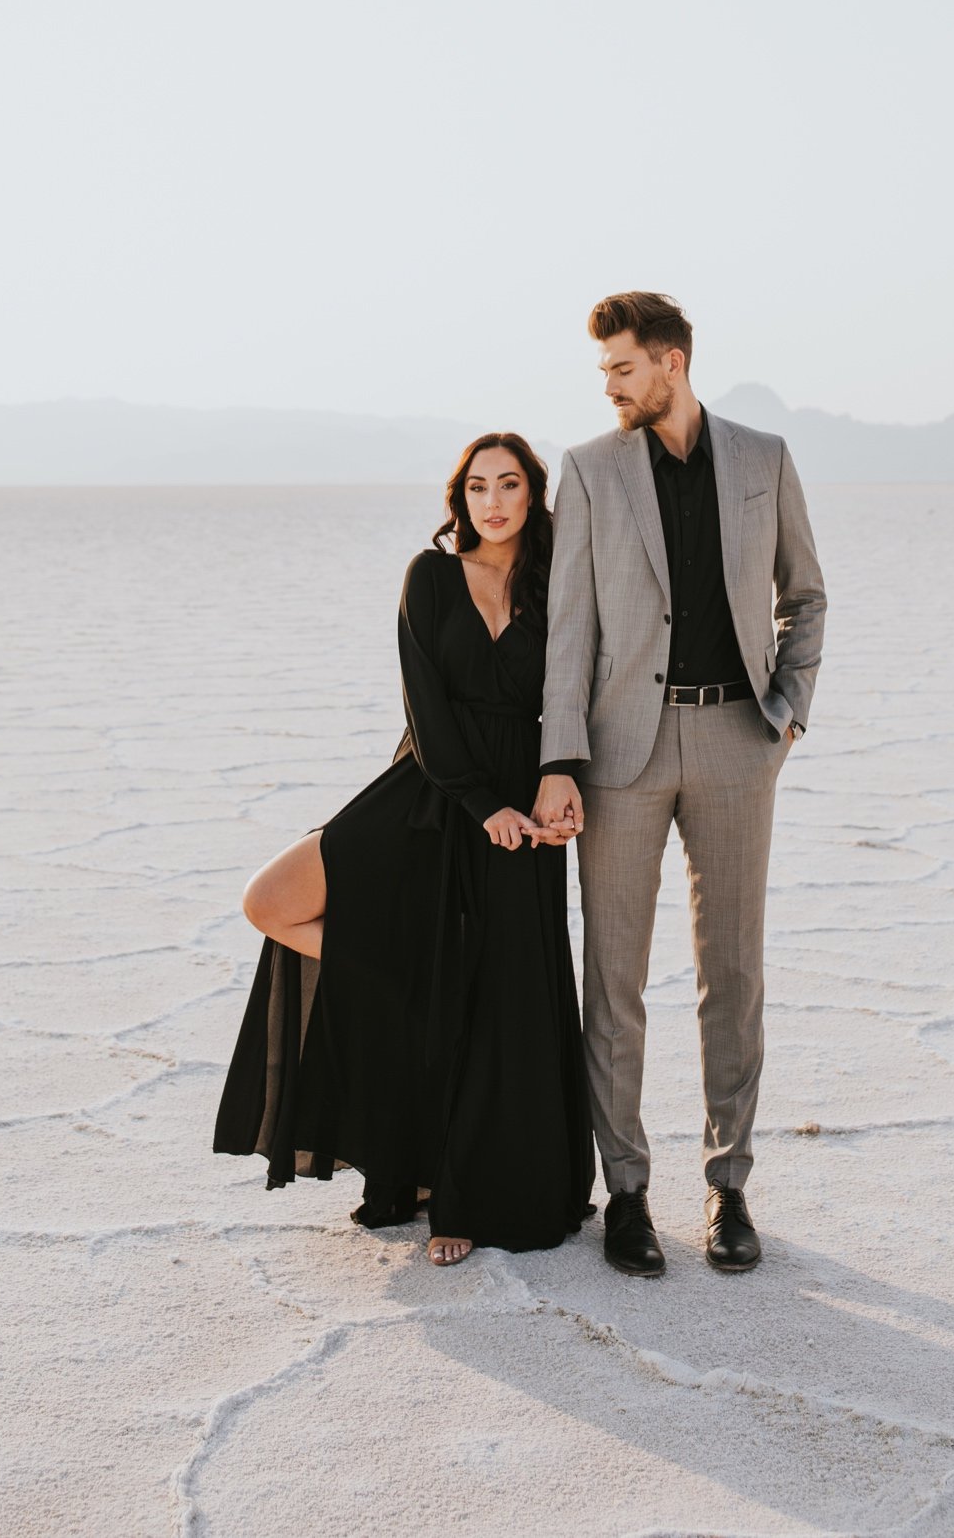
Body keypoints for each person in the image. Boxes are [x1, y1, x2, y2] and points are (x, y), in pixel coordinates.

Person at [214, 433, 594, 1264]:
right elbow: (426, 705)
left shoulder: (561, 581)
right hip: (430, 792)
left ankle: (458, 1189)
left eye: (510, 485)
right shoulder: (429, 577)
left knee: (504, 1003)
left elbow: (577, 694)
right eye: (477, 486)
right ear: (459, 498)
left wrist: (558, 787)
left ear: (534, 495)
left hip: (526, 809)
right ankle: (397, 970)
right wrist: (479, 803)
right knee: (268, 901)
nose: (492, 501)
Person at [535, 293, 826, 1277]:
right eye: (604, 373)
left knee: (732, 971)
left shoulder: (764, 459)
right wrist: (559, 760)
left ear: (670, 362)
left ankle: (729, 1186)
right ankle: (625, 1192)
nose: (610, 385)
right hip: (622, 752)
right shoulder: (587, 470)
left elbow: (807, 595)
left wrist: (785, 714)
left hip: (739, 741)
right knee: (613, 977)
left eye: (621, 366)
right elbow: (567, 630)